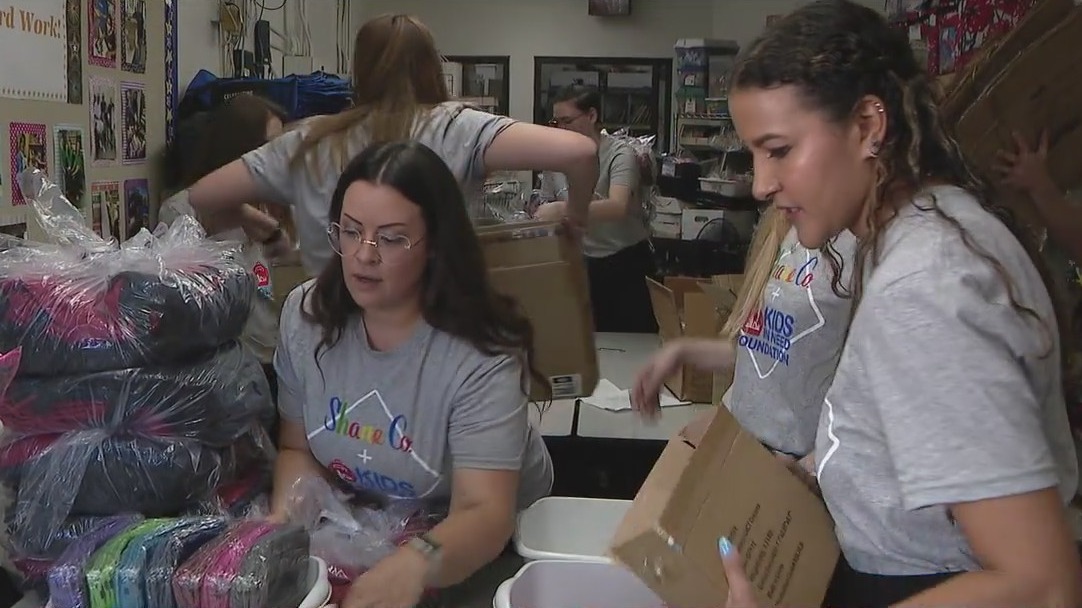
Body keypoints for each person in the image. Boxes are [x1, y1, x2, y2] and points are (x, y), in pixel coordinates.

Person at [711, 1, 1081, 606]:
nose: (760, 184)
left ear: (867, 125)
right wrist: (821, 466)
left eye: (778, 150)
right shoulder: (908, 235)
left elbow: (1038, 584)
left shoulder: (926, 287)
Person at [269, 140, 553, 608]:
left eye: (392, 237)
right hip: (370, 520)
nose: (364, 255)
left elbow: (485, 512)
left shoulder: (481, 352)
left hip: (482, 541)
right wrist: (285, 527)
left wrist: (415, 564)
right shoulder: (306, 317)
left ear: (436, 246)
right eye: (351, 231)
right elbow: (298, 448)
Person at [169, 14, 599, 277]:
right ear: (432, 65)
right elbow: (578, 153)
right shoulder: (457, 128)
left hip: (331, 342)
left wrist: (263, 226)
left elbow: (202, 196)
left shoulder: (311, 140)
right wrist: (575, 219)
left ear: (361, 71)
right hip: (429, 341)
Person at [632, 204, 856, 458]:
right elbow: (761, 352)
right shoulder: (781, 223)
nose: (761, 188)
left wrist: (809, 468)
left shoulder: (864, 245)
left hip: (792, 465)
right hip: (737, 439)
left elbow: (867, 401)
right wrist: (682, 352)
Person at [159, 93, 297, 396]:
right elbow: (174, 299)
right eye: (269, 147)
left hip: (274, 363)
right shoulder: (183, 210)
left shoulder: (274, 205)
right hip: (220, 374)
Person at [537, 85, 658, 333]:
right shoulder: (555, 159)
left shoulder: (619, 154)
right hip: (579, 264)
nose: (560, 128)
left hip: (623, 263)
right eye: (555, 121)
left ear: (591, 116)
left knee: (630, 343)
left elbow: (617, 206)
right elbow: (544, 203)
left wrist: (562, 209)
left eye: (567, 120)